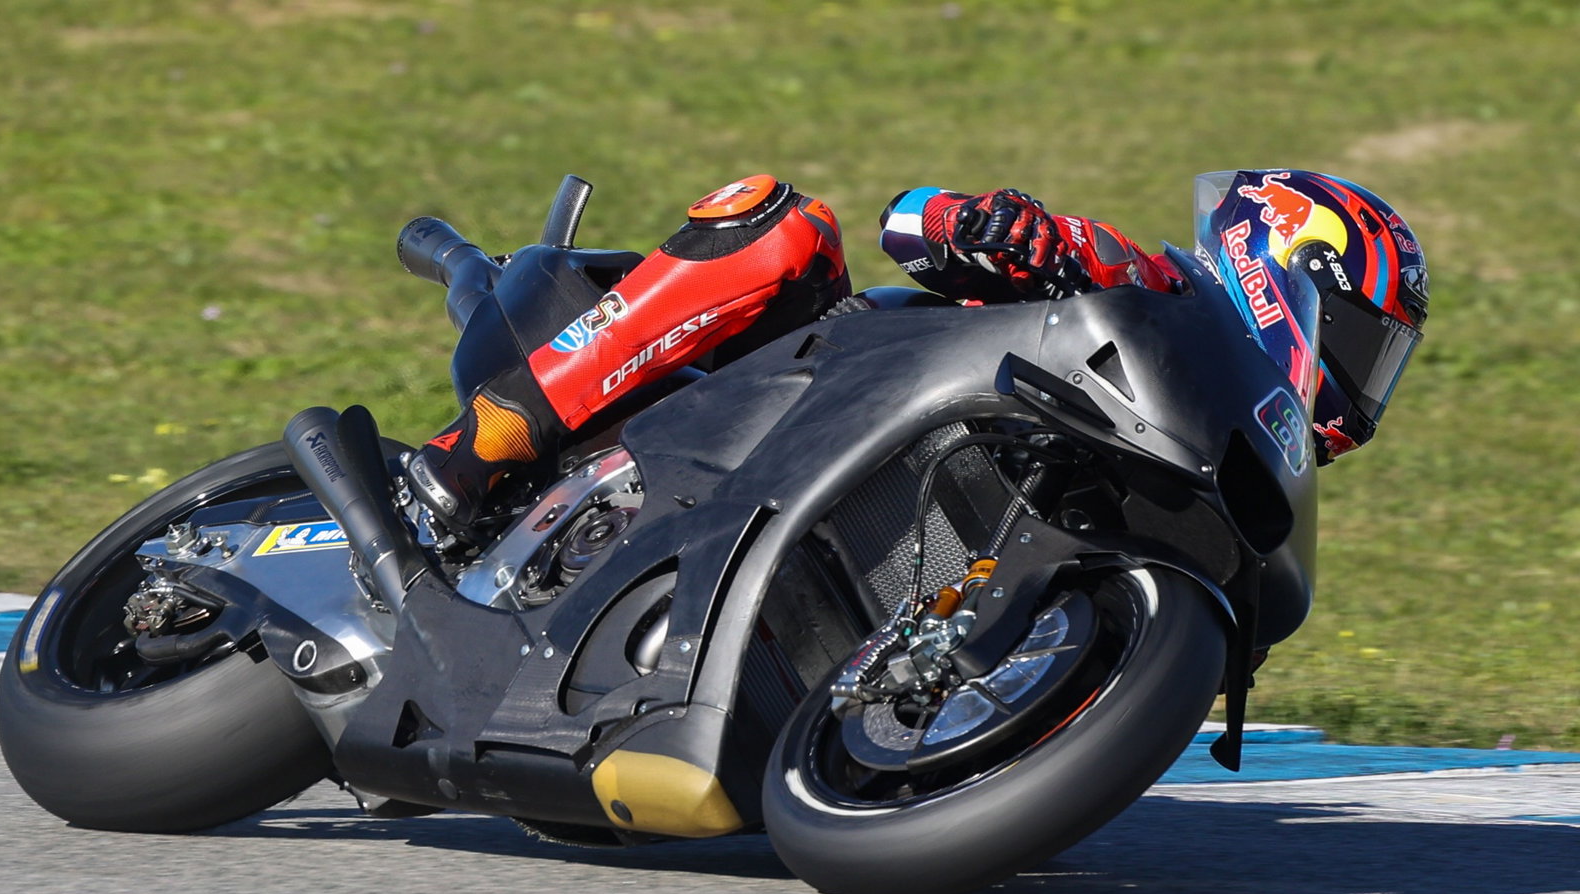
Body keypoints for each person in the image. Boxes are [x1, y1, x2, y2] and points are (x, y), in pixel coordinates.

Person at [405, 170, 1428, 539]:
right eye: (1361, 343)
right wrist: (990, 230)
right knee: (779, 224)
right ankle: (474, 451)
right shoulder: (1150, 295)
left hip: (844, 504)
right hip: (802, 390)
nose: (1361, 385)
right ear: (1280, 265)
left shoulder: (1219, 468)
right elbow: (910, 223)